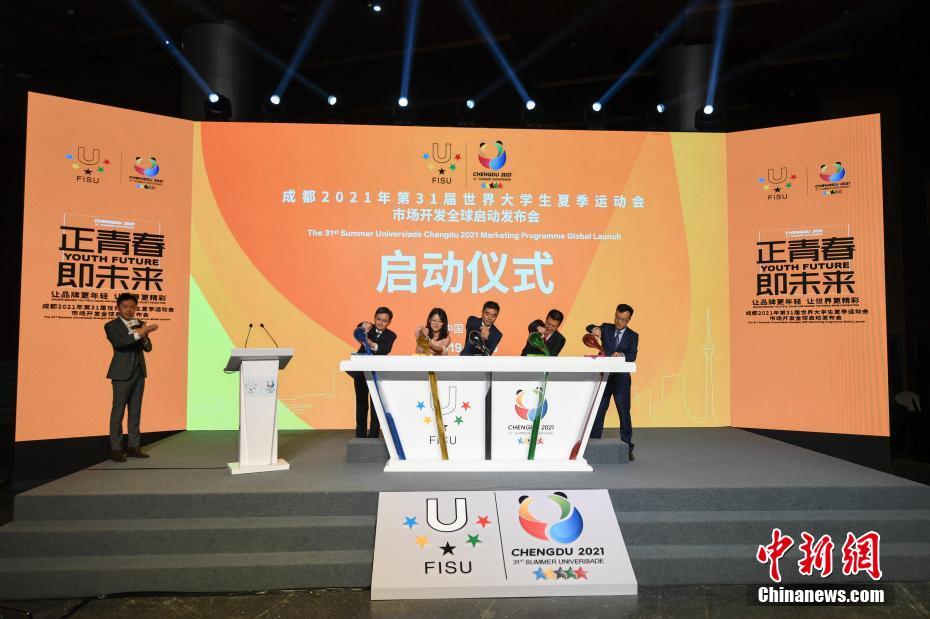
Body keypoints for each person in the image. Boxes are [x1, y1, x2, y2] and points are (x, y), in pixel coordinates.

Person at [105, 292, 158, 462]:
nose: (129, 310)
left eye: (133, 307)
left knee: (135, 411)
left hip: (139, 372)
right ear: (118, 308)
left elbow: (148, 348)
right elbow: (120, 343)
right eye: (125, 307)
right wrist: (139, 333)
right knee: (118, 412)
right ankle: (116, 449)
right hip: (121, 373)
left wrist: (143, 336)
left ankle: (134, 447)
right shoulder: (111, 326)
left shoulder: (139, 324)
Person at [586, 304, 639, 460]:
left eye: (623, 319)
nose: (619, 321)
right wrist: (595, 329)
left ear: (629, 320)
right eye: (617, 317)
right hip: (605, 378)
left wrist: (621, 354)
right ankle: (593, 445)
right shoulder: (607, 328)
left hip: (621, 380)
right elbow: (589, 327)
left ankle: (627, 447)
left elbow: (632, 356)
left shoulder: (633, 336)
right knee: (598, 412)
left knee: (624, 413)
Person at [348, 307, 396, 439]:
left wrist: (370, 343)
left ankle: (374, 436)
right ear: (374, 318)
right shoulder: (368, 329)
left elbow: (384, 350)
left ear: (389, 322)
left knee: (376, 405)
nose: (381, 322)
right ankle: (360, 436)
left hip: (377, 373)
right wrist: (363, 324)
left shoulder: (391, 335)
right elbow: (358, 329)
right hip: (361, 372)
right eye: (378, 319)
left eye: (384, 320)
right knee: (361, 403)